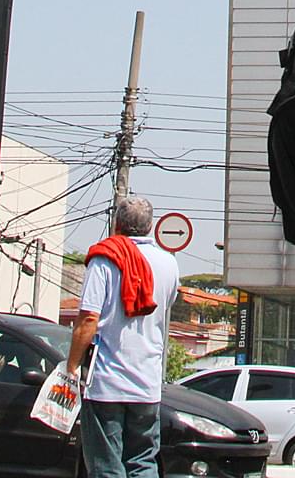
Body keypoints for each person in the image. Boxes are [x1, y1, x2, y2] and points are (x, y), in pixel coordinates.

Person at [69, 195, 179, 478]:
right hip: (147, 383)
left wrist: (72, 367)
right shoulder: (168, 264)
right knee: (142, 463)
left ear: (116, 223)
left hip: (106, 383)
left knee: (107, 466)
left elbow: (88, 319)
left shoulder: (105, 260)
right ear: (150, 226)